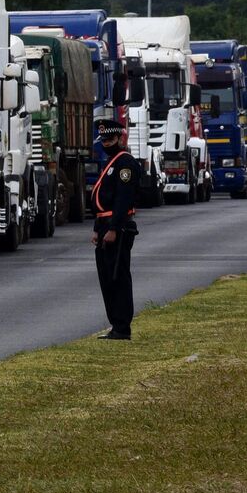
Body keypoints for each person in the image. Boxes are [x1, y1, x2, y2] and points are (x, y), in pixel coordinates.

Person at [91, 119, 143, 340]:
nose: (106, 143)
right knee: (106, 278)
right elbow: (102, 200)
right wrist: (97, 228)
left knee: (118, 276)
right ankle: (115, 324)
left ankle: (122, 327)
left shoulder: (125, 164)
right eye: (103, 140)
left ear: (120, 139)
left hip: (118, 228)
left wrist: (113, 228)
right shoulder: (112, 162)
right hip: (105, 225)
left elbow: (122, 200)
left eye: (110, 139)